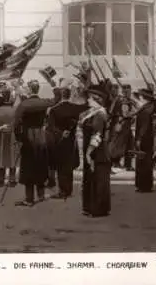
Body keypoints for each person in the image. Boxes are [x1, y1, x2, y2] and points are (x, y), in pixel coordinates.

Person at [14, 80, 54, 206]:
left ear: (30, 90)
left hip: (28, 135)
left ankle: (29, 198)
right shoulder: (44, 102)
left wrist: (19, 138)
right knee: (40, 164)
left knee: (28, 165)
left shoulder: (24, 104)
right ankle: (41, 194)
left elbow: (16, 124)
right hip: (40, 135)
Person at [47, 87, 88, 199]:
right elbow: (87, 105)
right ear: (69, 95)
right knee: (68, 165)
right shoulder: (75, 108)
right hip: (71, 140)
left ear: (60, 95)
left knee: (61, 166)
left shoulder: (54, 109)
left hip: (59, 140)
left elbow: (50, 127)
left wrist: (60, 133)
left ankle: (63, 190)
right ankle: (68, 189)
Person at [79, 84, 111, 217]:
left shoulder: (99, 114)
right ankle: (89, 207)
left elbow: (97, 135)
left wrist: (88, 152)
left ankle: (98, 209)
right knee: (90, 178)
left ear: (97, 99)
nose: (88, 100)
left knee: (98, 180)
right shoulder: (92, 113)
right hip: (92, 149)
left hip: (97, 151)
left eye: (90, 98)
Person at [0, 86, 20, 187]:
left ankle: (1, 180)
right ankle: (12, 180)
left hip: (1, 135)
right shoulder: (15, 110)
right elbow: (18, 124)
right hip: (12, 135)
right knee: (12, 158)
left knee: (1, 158)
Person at [134, 88, 156, 193]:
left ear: (144, 98)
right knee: (144, 161)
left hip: (144, 139)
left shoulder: (146, 110)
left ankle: (144, 185)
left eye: (140, 96)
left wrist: (139, 138)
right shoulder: (147, 108)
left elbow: (144, 126)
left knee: (144, 162)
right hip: (147, 138)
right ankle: (143, 185)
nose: (139, 98)